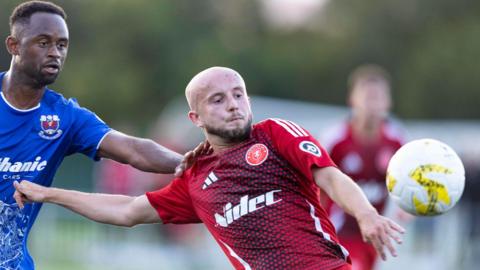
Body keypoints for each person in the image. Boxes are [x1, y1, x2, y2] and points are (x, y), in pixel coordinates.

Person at [14, 66, 405, 270]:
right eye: (218, 99)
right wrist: (49, 194)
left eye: (239, 94)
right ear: (195, 117)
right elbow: (127, 210)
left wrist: (367, 214)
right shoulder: (196, 178)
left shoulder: (274, 135)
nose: (234, 104)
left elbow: (331, 177)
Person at [0, 1, 204, 269]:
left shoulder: (66, 117)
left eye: (62, 45)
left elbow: (133, 149)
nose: (55, 53)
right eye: (43, 43)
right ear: (14, 45)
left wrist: (198, 165)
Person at [321, 64, 407, 270]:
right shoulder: (335, 140)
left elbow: (410, 183)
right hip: (337, 233)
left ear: (388, 102)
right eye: (367, 97)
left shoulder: (398, 142)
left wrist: (410, 207)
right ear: (352, 100)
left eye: (378, 97)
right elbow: (314, 181)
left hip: (374, 236)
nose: (372, 104)